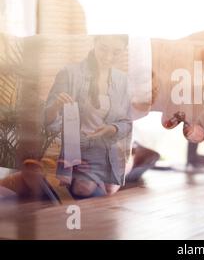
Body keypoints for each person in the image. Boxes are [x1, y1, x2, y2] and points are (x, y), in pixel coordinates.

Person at [44, 35, 155, 199]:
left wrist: (110, 128)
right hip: (78, 148)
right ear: (94, 42)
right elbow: (46, 120)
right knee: (82, 189)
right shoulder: (69, 73)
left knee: (111, 188)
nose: (108, 57)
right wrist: (55, 106)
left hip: (108, 147)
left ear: (123, 51)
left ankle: (135, 155)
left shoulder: (122, 81)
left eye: (116, 52)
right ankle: (129, 157)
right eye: (103, 49)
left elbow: (126, 123)